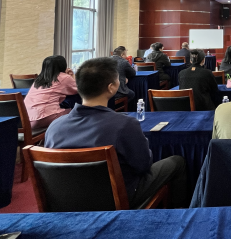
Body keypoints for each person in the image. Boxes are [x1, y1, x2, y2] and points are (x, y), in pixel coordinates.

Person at [44, 57, 187, 208]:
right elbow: (143, 165)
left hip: (68, 203)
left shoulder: (54, 127)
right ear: (111, 87)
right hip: (117, 198)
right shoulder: (125, 124)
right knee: (177, 162)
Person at [24, 55, 78, 130]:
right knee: (77, 112)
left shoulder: (39, 79)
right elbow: (80, 90)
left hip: (27, 119)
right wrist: (72, 76)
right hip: (44, 117)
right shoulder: (64, 77)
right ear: (63, 65)